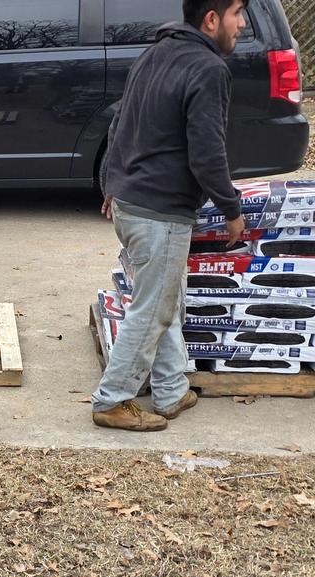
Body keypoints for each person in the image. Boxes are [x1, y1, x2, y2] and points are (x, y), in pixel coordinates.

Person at [92, 0, 248, 432]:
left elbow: (119, 121)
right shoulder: (209, 69)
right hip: (160, 210)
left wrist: (111, 183)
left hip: (132, 203)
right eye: (237, 13)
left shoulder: (153, 53)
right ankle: (112, 399)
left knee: (166, 299)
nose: (243, 23)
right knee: (154, 309)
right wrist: (231, 209)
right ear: (211, 18)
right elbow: (208, 153)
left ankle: (170, 389)